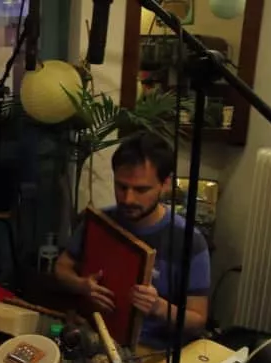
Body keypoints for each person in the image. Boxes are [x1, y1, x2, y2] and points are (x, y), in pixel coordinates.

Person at [54, 133, 210, 349]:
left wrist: (158, 307)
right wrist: (83, 285)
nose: (128, 199)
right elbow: (62, 268)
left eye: (141, 190)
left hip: (152, 351)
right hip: (94, 337)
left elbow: (198, 320)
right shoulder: (100, 221)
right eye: (121, 187)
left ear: (165, 184)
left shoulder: (190, 241)